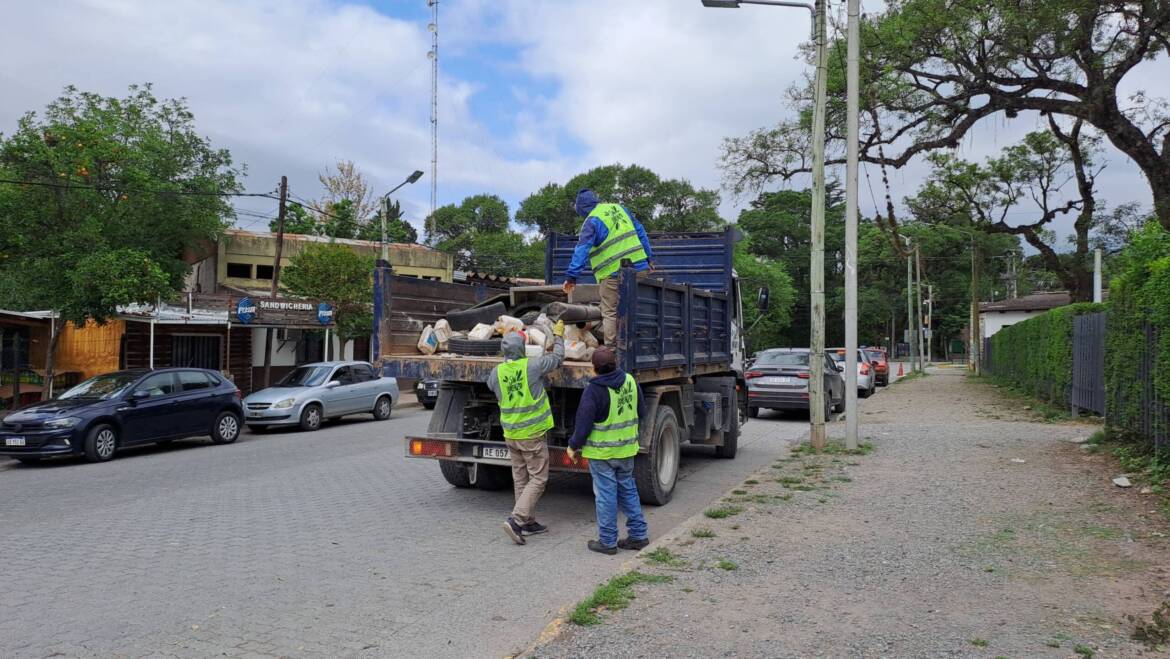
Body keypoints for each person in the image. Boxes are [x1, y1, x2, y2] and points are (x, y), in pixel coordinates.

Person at [487, 321, 565, 545]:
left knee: (521, 476)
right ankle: (517, 520)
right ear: (522, 349)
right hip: (531, 433)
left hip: (511, 433)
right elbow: (558, 358)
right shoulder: (532, 366)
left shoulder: (497, 372)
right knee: (539, 478)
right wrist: (558, 337)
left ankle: (528, 523)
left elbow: (491, 385)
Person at [566, 346, 649, 555]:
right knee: (628, 489)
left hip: (602, 454)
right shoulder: (630, 381)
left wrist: (573, 446)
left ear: (594, 369)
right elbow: (642, 412)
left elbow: (583, 425)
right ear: (616, 364)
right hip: (626, 450)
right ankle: (638, 536)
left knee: (606, 496)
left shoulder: (593, 390)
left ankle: (608, 542)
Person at [560, 188, 654, 346]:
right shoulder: (620, 208)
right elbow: (641, 231)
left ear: (582, 207)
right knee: (634, 308)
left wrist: (571, 277)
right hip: (640, 269)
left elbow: (582, 249)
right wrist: (649, 258)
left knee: (610, 311)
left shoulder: (591, 221)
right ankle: (640, 345)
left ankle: (612, 350)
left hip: (613, 274)